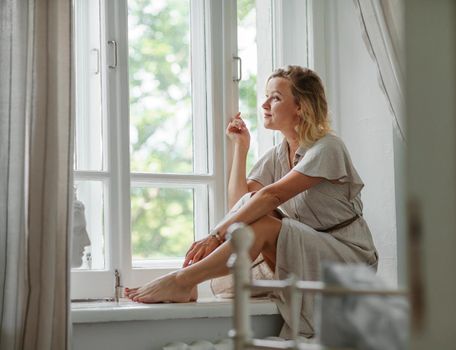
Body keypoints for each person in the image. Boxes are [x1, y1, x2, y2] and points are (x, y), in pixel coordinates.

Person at [125, 66, 378, 337]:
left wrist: (214, 235)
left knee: (265, 224)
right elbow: (241, 203)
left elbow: (271, 196)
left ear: (301, 107)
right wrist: (241, 148)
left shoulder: (327, 147)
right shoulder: (279, 154)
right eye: (266, 96)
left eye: (276, 98)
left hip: (348, 258)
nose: (264, 104)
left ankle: (182, 280)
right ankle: (186, 282)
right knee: (253, 215)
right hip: (311, 250)